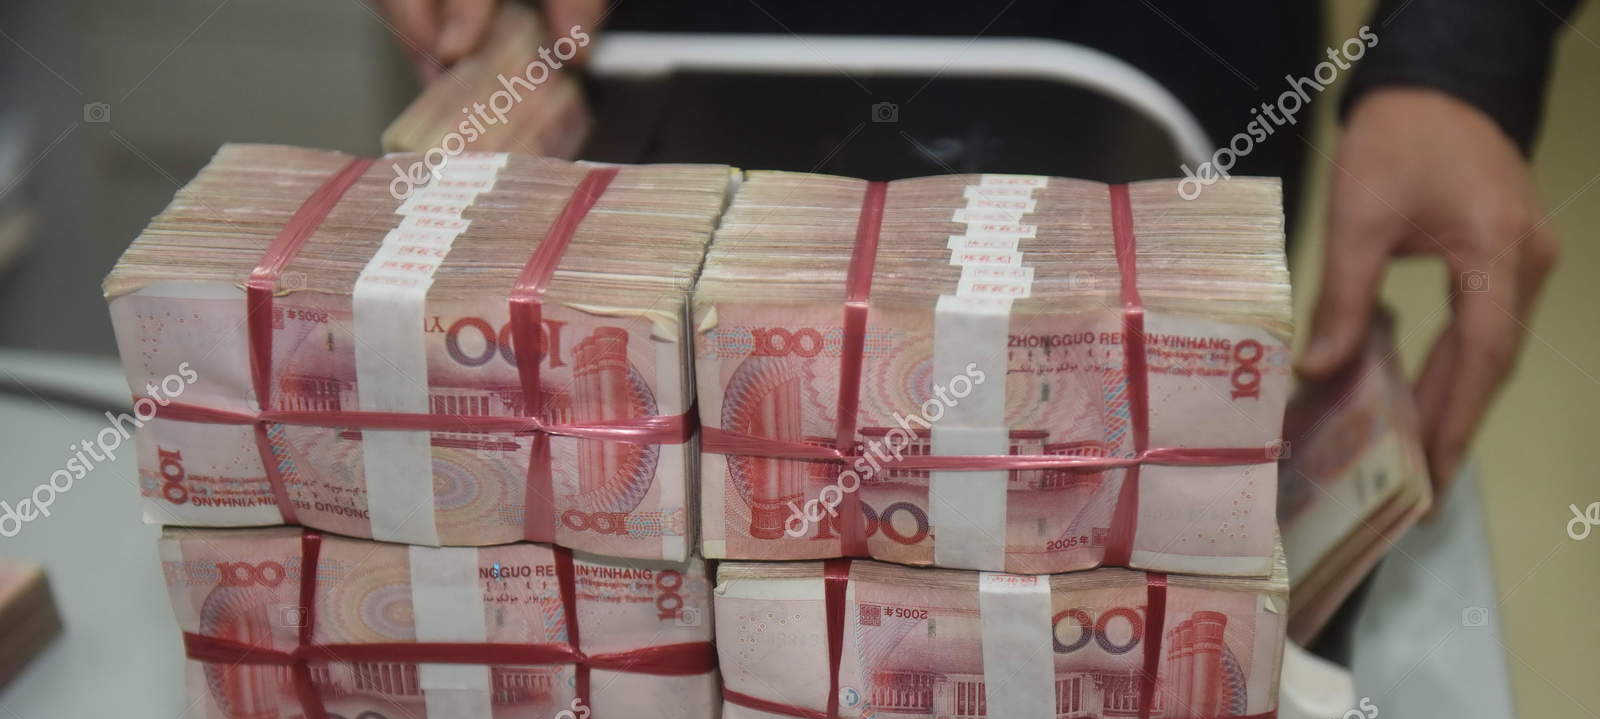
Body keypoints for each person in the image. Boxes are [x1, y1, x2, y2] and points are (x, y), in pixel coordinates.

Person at [377, 0, 1574, 502]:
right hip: (672, 60)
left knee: (1089, 495)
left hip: (1147, 69)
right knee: (659, 488)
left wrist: (1457, 53)